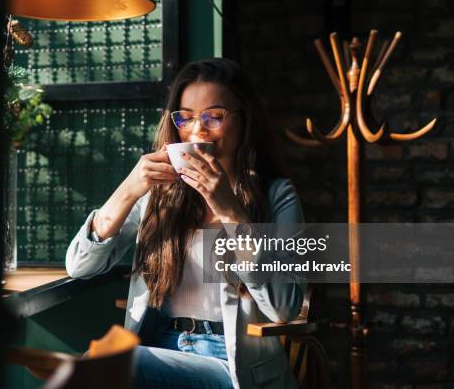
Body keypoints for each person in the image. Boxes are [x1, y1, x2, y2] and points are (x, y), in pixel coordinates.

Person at [66, 58, 305, 389]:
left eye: (214, 117)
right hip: (160, 344)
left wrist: (232, 213)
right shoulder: (160, 195)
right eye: (186, 118)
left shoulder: (276, 195)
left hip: (231, 362)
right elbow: (79, 265)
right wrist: (129, 189)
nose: (197, 131)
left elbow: (284, 308)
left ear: (244, 121)